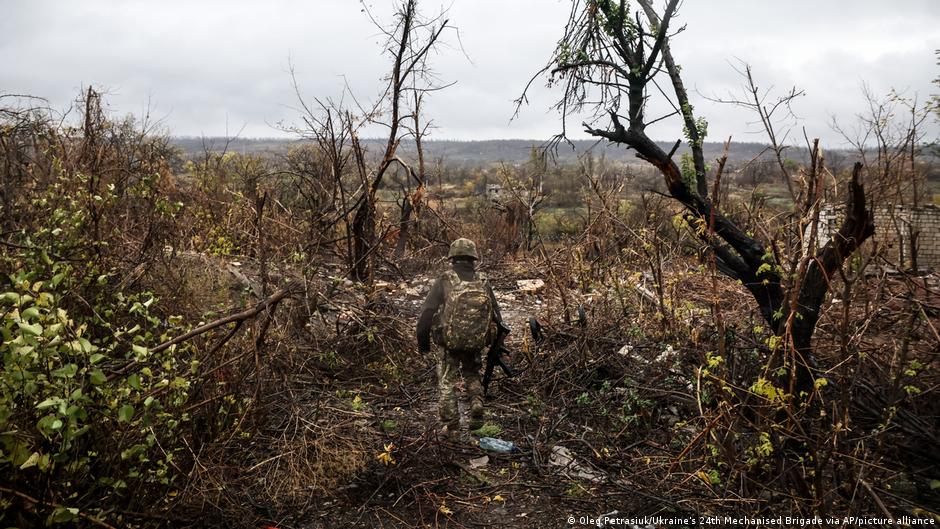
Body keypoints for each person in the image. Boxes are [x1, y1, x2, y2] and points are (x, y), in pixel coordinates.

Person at [417, 238, 502, 434]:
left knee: (447, 381)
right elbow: (496, 315)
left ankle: (452, 426)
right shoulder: (483, 280)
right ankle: (477, 404)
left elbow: (427, 313)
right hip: (475, 341)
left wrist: (423, 345)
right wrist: (493, 342)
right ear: (473, 258)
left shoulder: (446, 279)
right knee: (472, 373)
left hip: (450, 342)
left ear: (452, 258)